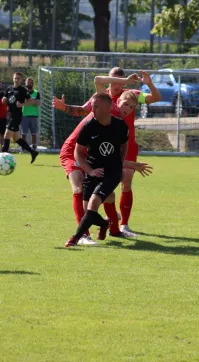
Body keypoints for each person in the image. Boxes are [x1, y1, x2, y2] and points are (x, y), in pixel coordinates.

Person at [53, 67, 161, 237]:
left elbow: (155, 98)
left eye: (132, 107)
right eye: (126, 105)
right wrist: (65, 107)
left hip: (105, 149)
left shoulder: (129, 98)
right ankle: (83, 235)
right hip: (77, 150)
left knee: (109, 193)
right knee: (79, 188)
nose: (128, 108)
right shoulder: (104, 100)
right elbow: (87, 101)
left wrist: (148, 84)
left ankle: (117, 228)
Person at [64, 92, 129, 247]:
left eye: (96, 106)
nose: (92, 109)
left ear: (108, 108)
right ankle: (104, 224)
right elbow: (78, 153)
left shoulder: (120, 126)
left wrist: (119, 165)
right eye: (92, 106)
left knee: (94, 202)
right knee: (88, 211)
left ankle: (75, 238)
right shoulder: (88, 127)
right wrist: (90, 170)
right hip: (94, 170)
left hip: (111, 173)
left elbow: (124, 146)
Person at [1, 72, 39, 163]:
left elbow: (30, 102)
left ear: (21, 80)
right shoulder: (9, 88)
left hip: (16, 116)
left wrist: (22, 104)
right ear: (13, 79)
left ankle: (2, 158)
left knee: (6, 136)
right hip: (9, 115)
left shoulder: (23, 90)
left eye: (18, 78)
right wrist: (4, 100)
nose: (16, 80)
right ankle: (32, 152)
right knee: (16, 138)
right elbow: (5, 100)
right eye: (15, 78)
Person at [21, 77, 40, 151]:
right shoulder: (23, 92)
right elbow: (22, 103)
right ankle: (23, 148)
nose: (29, 83)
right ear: (25, 83)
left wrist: (27, 102)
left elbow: (38, 103)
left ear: (32, 83)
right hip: (24, 115)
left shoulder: (36, 93)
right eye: (27, 82)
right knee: (23, 133)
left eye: (30, 82)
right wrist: (32, 102)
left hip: (34, 116)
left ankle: (34, 148)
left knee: (34, 133)